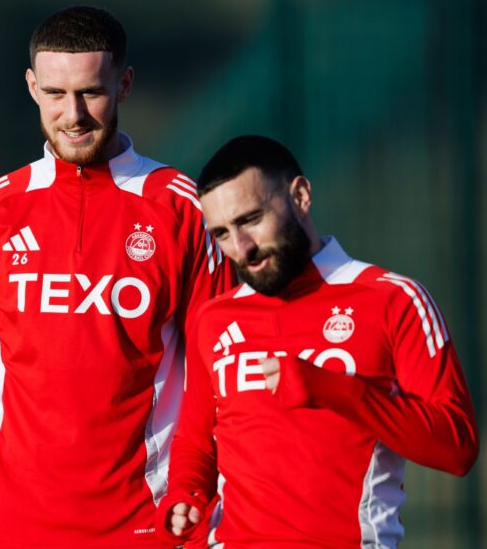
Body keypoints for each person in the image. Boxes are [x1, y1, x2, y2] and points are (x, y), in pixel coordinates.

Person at [0, 6, 235, 548]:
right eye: (55, 93)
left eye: (91, 92)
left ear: (125, 84)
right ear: (31, 87)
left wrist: (193, 495)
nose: (73, 114)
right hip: (8, 530)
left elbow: (218, 380)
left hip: (146, 528)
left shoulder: (186, 210)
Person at [155, 135, 479, 548]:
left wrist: (334, 389)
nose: (241, 249)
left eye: (251, 219)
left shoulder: (393, 299)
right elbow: (195, 441)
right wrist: (185, 494)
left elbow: (457, 448)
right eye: (221, 233)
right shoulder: (213, 318)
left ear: (301, 196)